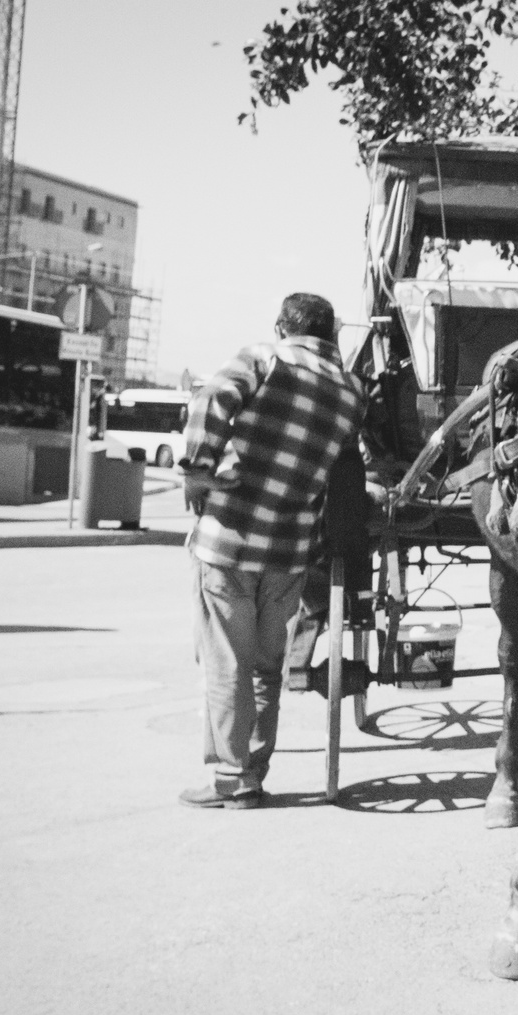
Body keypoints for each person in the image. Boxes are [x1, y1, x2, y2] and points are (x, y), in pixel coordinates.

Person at [178, 293, 364, 809]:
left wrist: (197, 468)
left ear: (283, 325)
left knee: (225, 665)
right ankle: (251, 775)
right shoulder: (352, 391)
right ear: (334, 334)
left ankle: (229, 782)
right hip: (290, 553)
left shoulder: (265, 357)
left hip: (229, 542)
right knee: (263, 668)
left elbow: (212, 396)